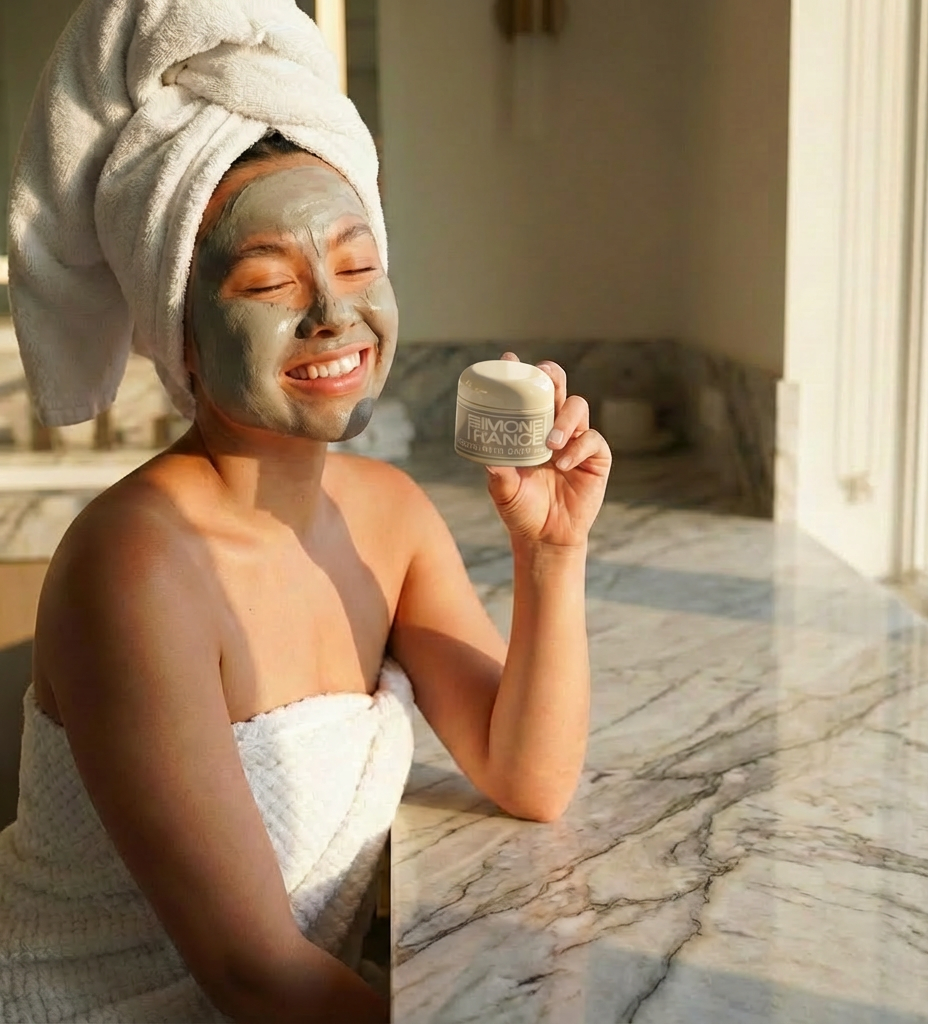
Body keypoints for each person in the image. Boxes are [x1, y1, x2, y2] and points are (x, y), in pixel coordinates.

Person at [0, 3, 611, 1023]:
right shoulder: (138, 565)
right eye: (268, 282)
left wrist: (552, 552)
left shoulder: (390, 517)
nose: (334, 312)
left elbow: (529, 777)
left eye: (359, 265)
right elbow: (255, 973)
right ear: (180, 332)